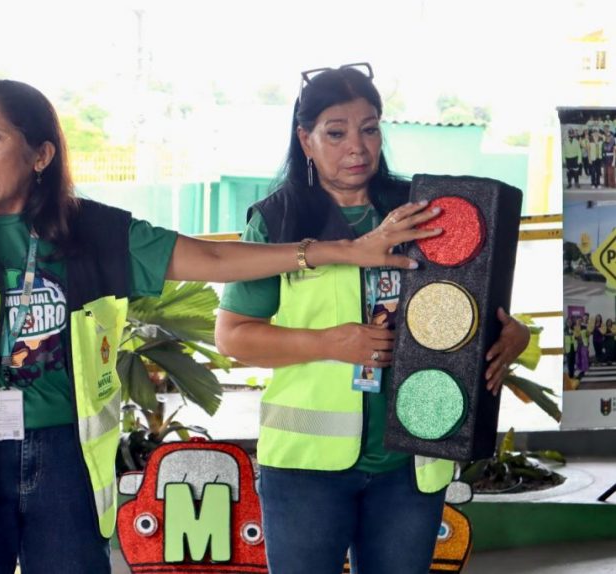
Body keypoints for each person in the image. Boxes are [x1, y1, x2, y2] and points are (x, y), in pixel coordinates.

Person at [0, 79, 439, 574]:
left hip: (65, 463)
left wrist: (343, 252)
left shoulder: (95, 233)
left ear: (40, 155)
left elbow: (213, 259)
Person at [214, 64, 530, 574]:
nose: (357, 148)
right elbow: (233, 336)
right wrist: (329, 343)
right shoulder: (277, 220)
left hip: (411, 462)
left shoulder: (425, 211)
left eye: (369, 129)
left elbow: (471, 306)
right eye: (336, 133)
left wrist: (513, 335)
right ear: (306, 140)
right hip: (306, 466)